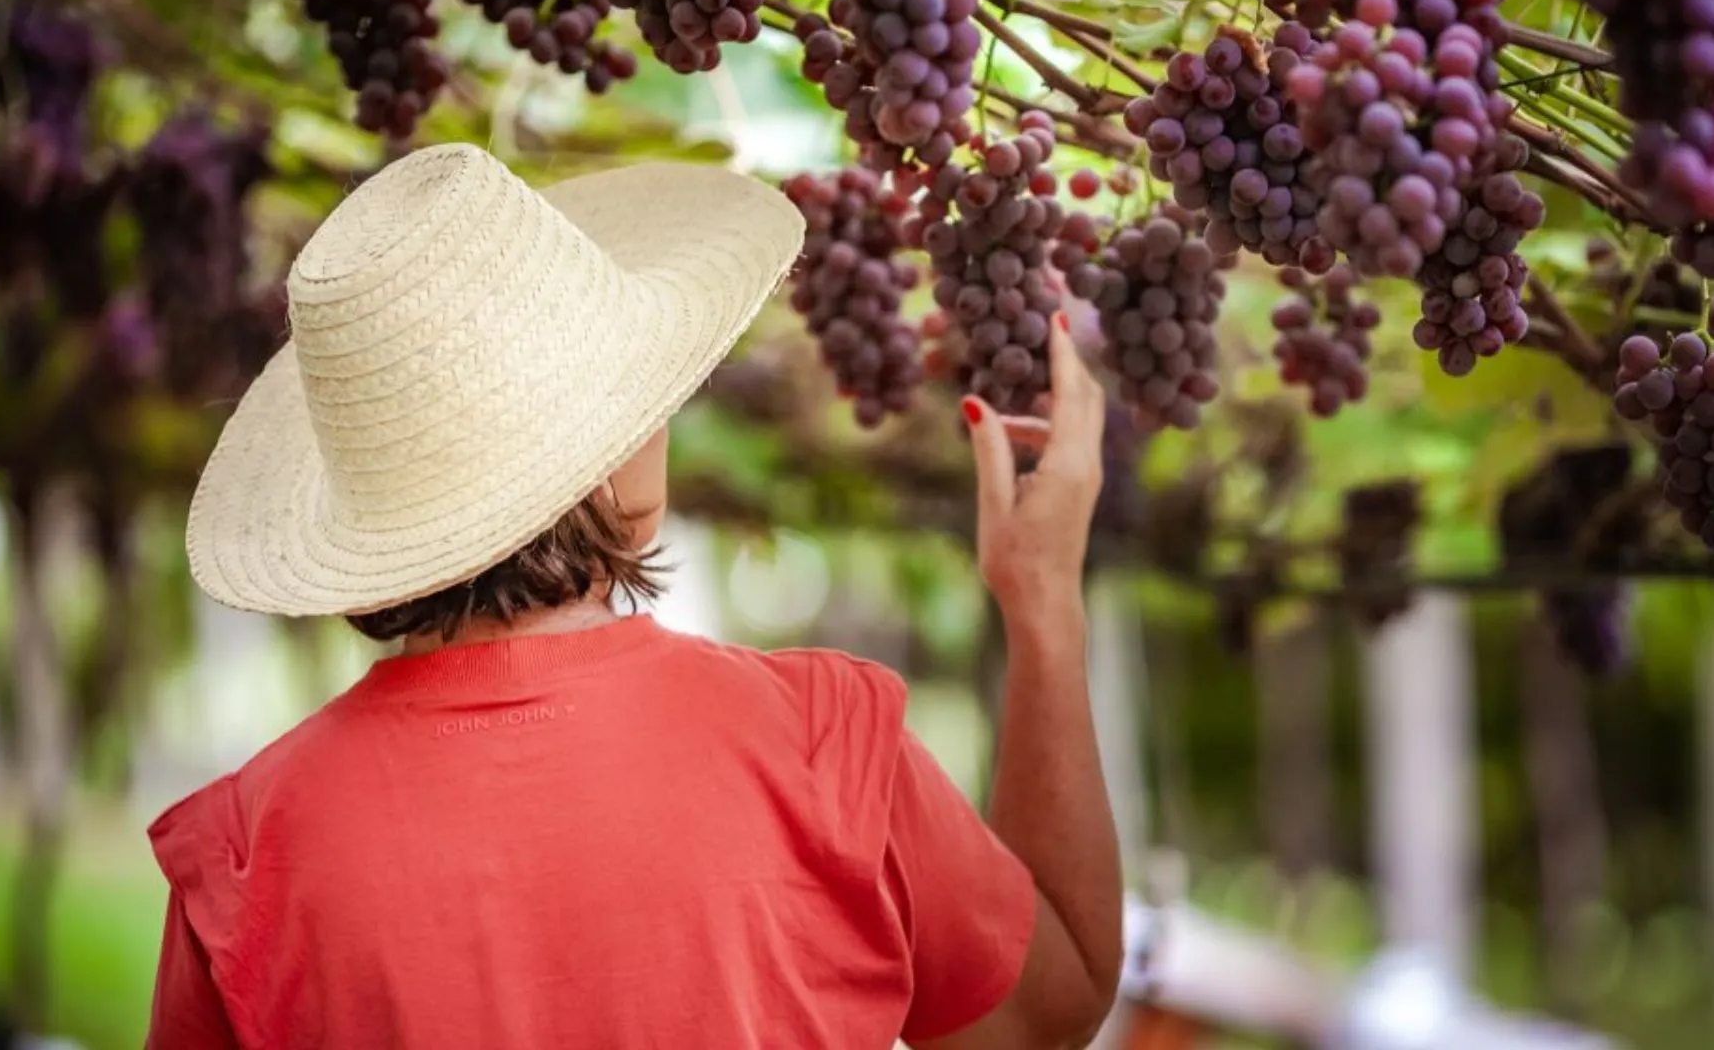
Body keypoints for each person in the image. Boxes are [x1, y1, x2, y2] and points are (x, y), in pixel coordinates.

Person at [146, 143, 1121, 1049]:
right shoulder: (820, 745)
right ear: (611, 472)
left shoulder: (244, 856)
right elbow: (1054, 1007)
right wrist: (1043, 603)